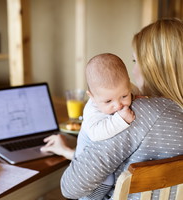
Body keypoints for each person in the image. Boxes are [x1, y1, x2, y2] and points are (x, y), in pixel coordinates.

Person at [60, 18, 183, 200]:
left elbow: (71, 187)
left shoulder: (139, 114)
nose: (133, 71)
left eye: (135, 61)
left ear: (153, 67)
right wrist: (67, 152)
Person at [41, 53, 136, 187]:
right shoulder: (92, 110)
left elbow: (132, 90)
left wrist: (137, 96)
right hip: (90, 171)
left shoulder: (120, 90)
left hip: (107, 167)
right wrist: (121, 120)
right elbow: (96, 134)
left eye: (124, 96)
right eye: (108, 101)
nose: (118, 105)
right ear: (91, 96)